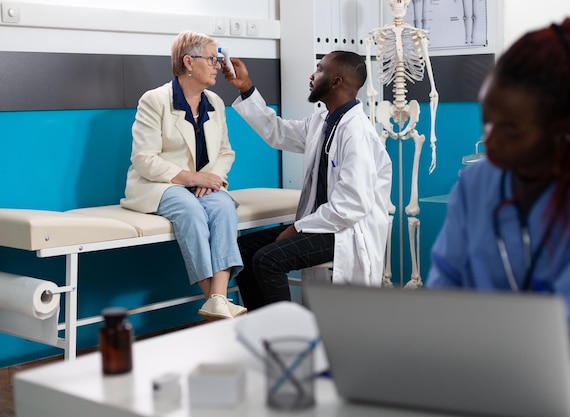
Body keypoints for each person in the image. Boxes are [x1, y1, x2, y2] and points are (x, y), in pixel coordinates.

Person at [426, 18, 570, 368]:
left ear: (561, 128)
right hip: (480, 372)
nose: (490, 139)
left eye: (511, 131)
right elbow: (444, 290)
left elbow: (569, 336)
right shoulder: (477, 184)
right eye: (486, 119)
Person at [222, 51, 392, 310]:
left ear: (336, 82)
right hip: (321, 223)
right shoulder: (323, 121)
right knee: (243, 250)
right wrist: (246, 87)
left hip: (344, 231)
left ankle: (288, 339)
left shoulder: (357, 134)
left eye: (320, 70)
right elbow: (278, 132)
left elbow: (352, 206)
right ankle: (262, 330)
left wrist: (297, 228)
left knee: (268, 260)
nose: (312, 76)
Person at [120, 30, 245, 321]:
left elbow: (226, 152)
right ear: (189, 62)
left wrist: (210, 177)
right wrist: (192, 178)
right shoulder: (154, 101)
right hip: (160, 185)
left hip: (201, 184)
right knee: (189, 210)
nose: (218, 64)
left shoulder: (214, 102)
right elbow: (143, 159)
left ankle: (217, 301)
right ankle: (216, 299)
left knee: (225, 206)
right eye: (213, 59)